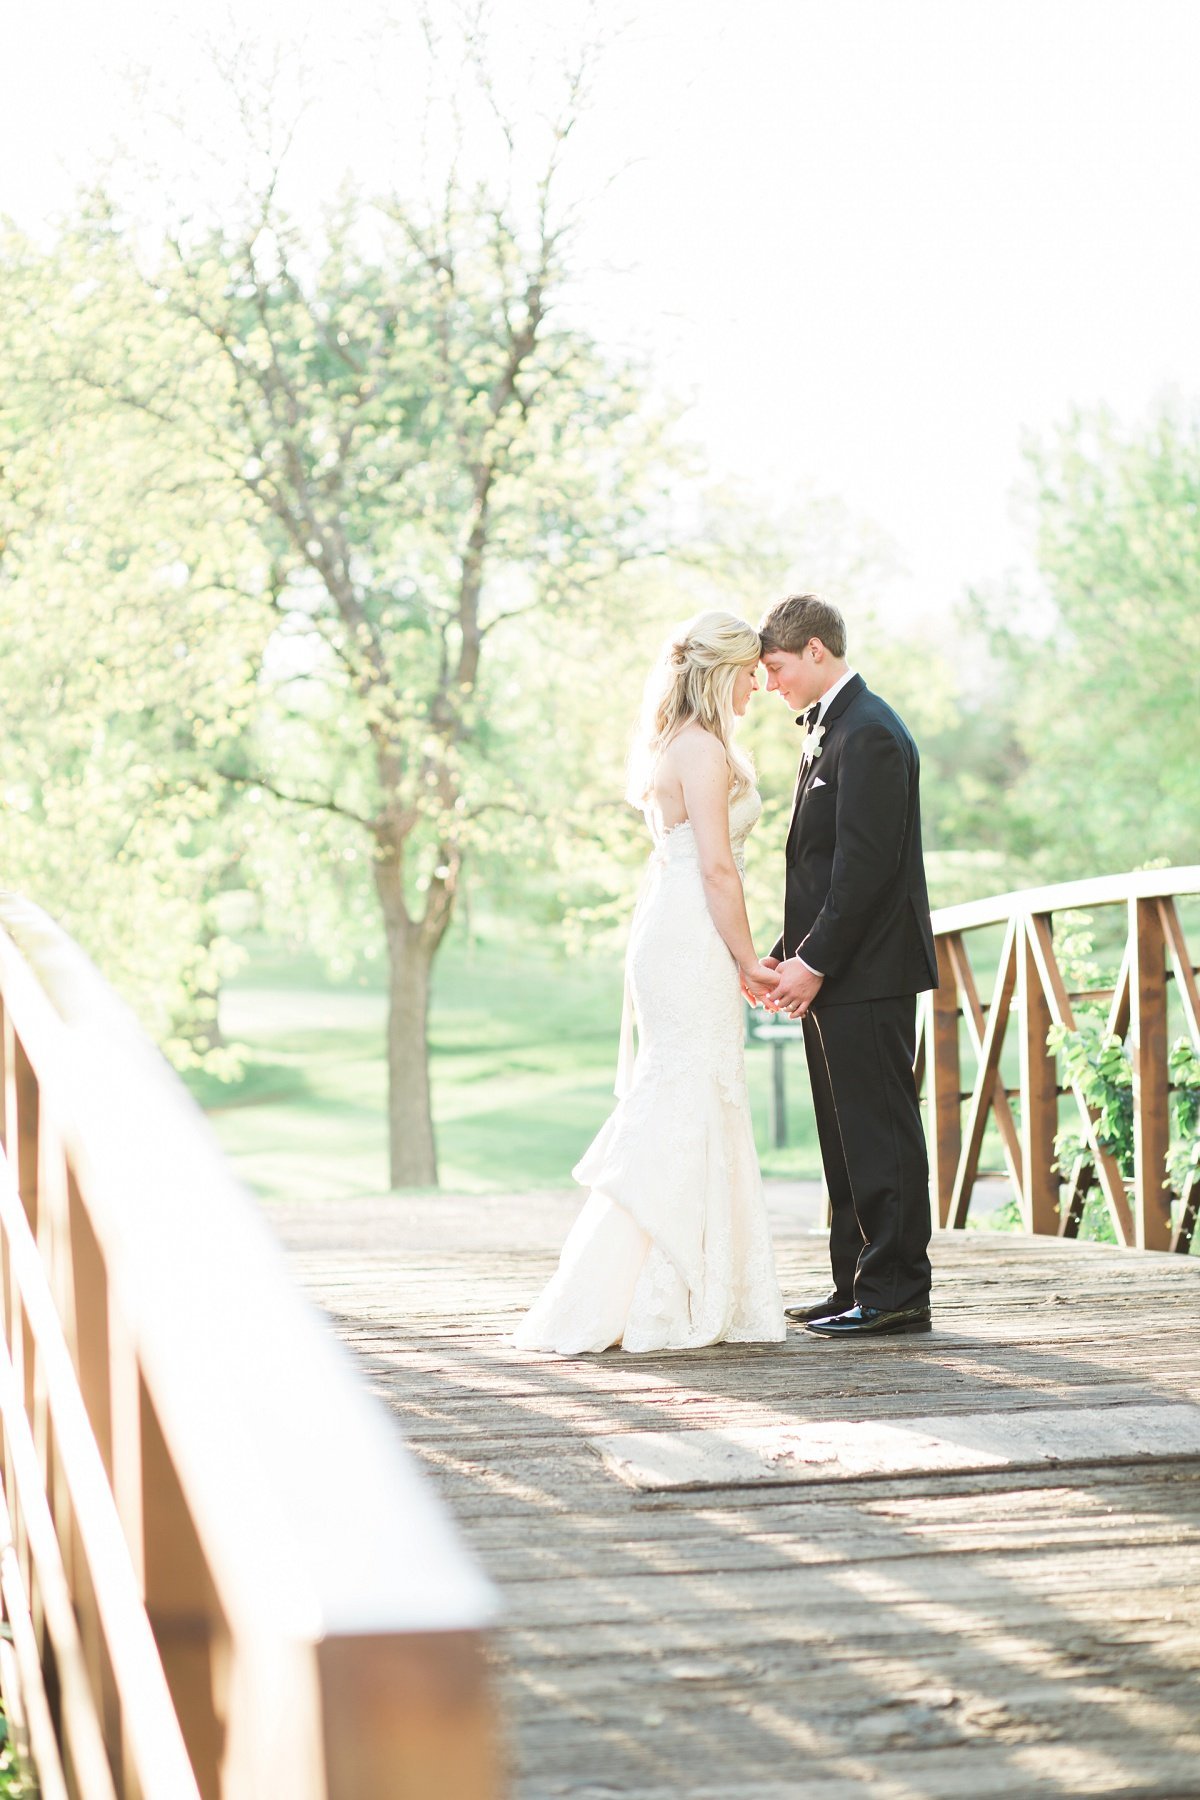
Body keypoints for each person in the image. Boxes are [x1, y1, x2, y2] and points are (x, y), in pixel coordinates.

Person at [513, 612, 786, 1355]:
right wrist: (748, 958)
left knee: (692, 1088)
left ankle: (686, 1280)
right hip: (693, 932)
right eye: (750, 676)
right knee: (688, 1089)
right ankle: (653, 1290)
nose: (757, 690)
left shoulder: (676, 743)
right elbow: (717, 868)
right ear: (722, 672)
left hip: (677, 925)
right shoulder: (700, 750)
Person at [756, 593, 937, 1338]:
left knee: (880, 1133)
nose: (770, 685)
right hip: (835, 972)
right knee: (843, 1139)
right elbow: (822, 868)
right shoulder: (833, 732)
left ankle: (896, 1292)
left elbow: (866, 869)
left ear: (816, 652)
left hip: (870, 973)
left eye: (776, 668)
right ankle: (853, 1282)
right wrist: (785, 953)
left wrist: (817, 961)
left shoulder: (870, 734)